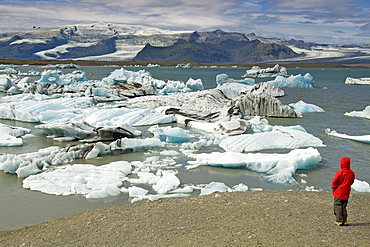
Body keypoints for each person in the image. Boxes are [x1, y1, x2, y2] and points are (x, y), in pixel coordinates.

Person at [331, 156, 355, 226]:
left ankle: (339, 220)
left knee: (338, 206)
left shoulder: (340, 173)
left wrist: (333, 188)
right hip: (346, 192)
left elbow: (334, 181)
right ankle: (345, 220)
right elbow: (352, 181)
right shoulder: (351, 173)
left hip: (338, 192)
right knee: (344, 207)